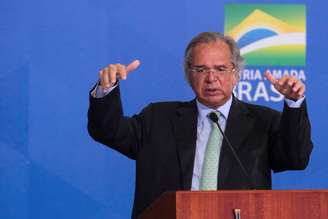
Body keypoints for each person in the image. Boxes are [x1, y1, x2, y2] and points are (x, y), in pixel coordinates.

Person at [87, 32, 313, 219]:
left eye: (221, 69)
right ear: (189, 74)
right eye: (201, 69)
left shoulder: (262, 122)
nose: (211, 77)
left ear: (236, 74)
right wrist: (106, 89)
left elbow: (296, 158)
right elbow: (107, 131)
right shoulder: (157, 118)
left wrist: (294, 104)